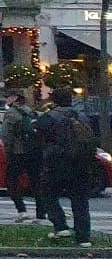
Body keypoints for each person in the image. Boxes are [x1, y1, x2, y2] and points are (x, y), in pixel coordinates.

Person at [34, 88, 95, 246]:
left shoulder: (49, 118)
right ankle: (83, 238)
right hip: (81, 164)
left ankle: (60, 226)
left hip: (57, 164)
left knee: (47, 194)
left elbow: (38, 138)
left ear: (54, 100)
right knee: (80, 201)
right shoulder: (82, 117)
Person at [2, 92, 42, 223]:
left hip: (18, 152)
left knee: (11, 180)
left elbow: (7, 135)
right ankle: (41, 212)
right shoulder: (31, 112)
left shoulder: (11, 113)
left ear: (14, 99)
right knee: (36, 182)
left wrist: (7, 152)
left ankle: (21, 210)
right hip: (34, 152)